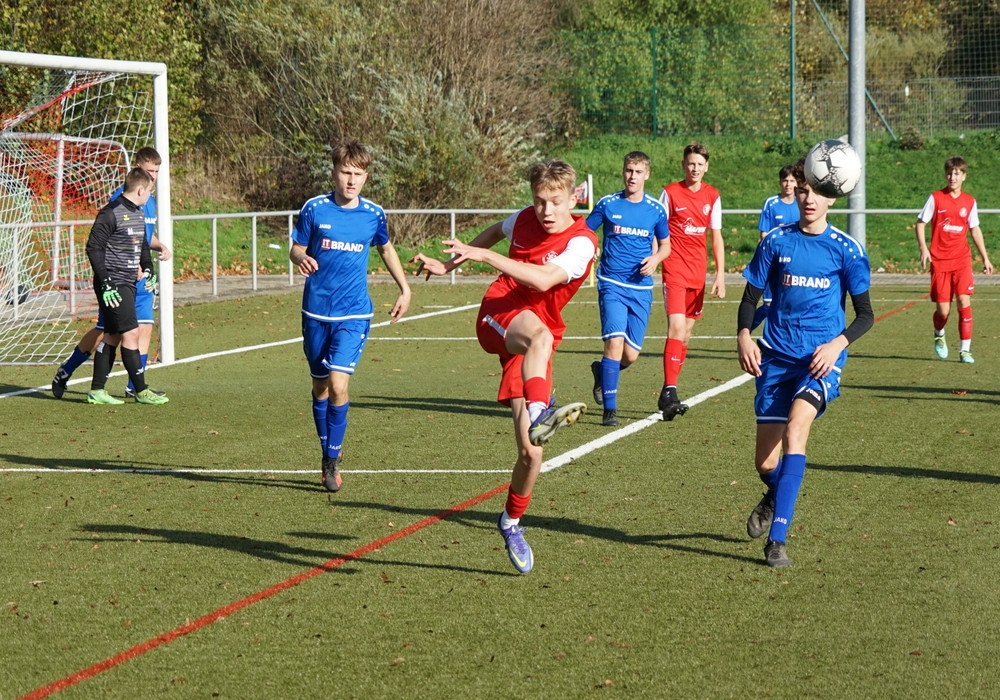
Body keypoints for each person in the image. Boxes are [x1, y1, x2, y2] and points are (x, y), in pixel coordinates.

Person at [412, 158, 598, 574]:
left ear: (573, 199)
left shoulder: (582, 242)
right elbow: (497, 231)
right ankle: (541, 411)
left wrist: (483, 256)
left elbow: (545, 279)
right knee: (541, 337)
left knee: (531, 454)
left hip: (534, 342)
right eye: (539, 201)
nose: (545, 210)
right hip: (500, 312)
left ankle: (511, 522)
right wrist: (450, 264)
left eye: (555, 202)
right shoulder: (525, 219)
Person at [736, 158, 873, 568]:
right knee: (765, 462)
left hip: (819, 363)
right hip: (775, 359)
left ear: (832, 198)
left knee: (796, 430)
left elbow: (865, 314)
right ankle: (776, 492)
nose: (808, 198)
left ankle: (777, 540)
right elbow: (750, 298)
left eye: (816, 191)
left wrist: (836, 346)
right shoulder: (776, 242)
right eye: (802, 190)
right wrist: (743, 336)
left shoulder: (847, 249)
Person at [290, 139, 412, 493]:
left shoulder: (373, 214)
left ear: (366, 177)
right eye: (346, 172)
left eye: (358, 174)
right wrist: (301, 258)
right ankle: (326, 449)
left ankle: (332, 459)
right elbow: (296, 247)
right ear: (334, 172)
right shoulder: (315, 209)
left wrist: (404, 289)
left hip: (355, 313)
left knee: (339, 384)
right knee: (320, 386)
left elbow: (386, 248)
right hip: (316, 311)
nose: (351, 180)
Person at [52, 147, 172, 398]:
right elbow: (114, 236)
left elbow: (142, 236)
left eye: (156, 172)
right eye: (149, 171)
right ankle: (67, 370)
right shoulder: (123, 197)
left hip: (140, 278)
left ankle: (134, 387)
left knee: (144, 328)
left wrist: (158, 246)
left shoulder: (149, 200)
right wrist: (129, 265)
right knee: (107, 332)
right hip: (119, 277)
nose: (153, 176)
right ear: (137, 169)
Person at [586, 151, 670, 427]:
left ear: (647, 175)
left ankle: (603, 372)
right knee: (614, 342)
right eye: (628, 171)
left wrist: (655, 259)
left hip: (641, 289)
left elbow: (666, 245)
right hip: (611, 284)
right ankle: (609, 411)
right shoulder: (608, 204)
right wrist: (591, 247)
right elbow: (585, 231)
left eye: (638, 172)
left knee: (630, 355)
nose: (632, 176)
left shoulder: (656, 210)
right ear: (623, 172)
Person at [84, 167, 169, 405]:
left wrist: (148, 268)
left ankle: (97, 390)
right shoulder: (110, 213)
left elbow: (142, 247)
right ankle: (141, 390)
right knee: (131, 333)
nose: (150, 196)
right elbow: (93, 247)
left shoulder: (139, 214)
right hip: (113, 284)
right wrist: (106, 281)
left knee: (112, 335)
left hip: (128, 283)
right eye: (149, 191)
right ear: (140, 190)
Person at [656, 141, 725, 421]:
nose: (695, 168)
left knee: (685, 334)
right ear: (684, 165)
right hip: (674, 270)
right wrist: (654, 258)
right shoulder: (670, 193)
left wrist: (720, 274)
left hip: (698, 273)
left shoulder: (713, 195)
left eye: (700, 164)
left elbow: (716, 237)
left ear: (706, 167)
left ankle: (667, 390)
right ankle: (671, 391)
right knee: (676, 327)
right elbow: (657, 229)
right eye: (691, 163)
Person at [915, 155, 994, 363]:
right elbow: (920, 223)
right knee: (943, 311)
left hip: (962, 260)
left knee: (963, 301)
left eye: (957, 174)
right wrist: (924, 248)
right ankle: (939, 333)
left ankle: (965, 350)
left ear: (964, 176)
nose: (953, 177)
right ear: (946, 175)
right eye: (950, 173)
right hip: (940, 261)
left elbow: (975, 229)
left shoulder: (970, 202)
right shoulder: (936, 198)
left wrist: (985, 258)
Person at [751, 164, 799, 330]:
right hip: (774, 260)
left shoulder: (801, 203)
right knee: (769, 305)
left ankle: (781, 338)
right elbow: (764, 234)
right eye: (785, 180)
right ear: (780, 182)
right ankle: (745, 329)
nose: (788, 184)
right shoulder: (771, 203)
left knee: (790, 303)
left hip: (795, 261)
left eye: (792, 181)